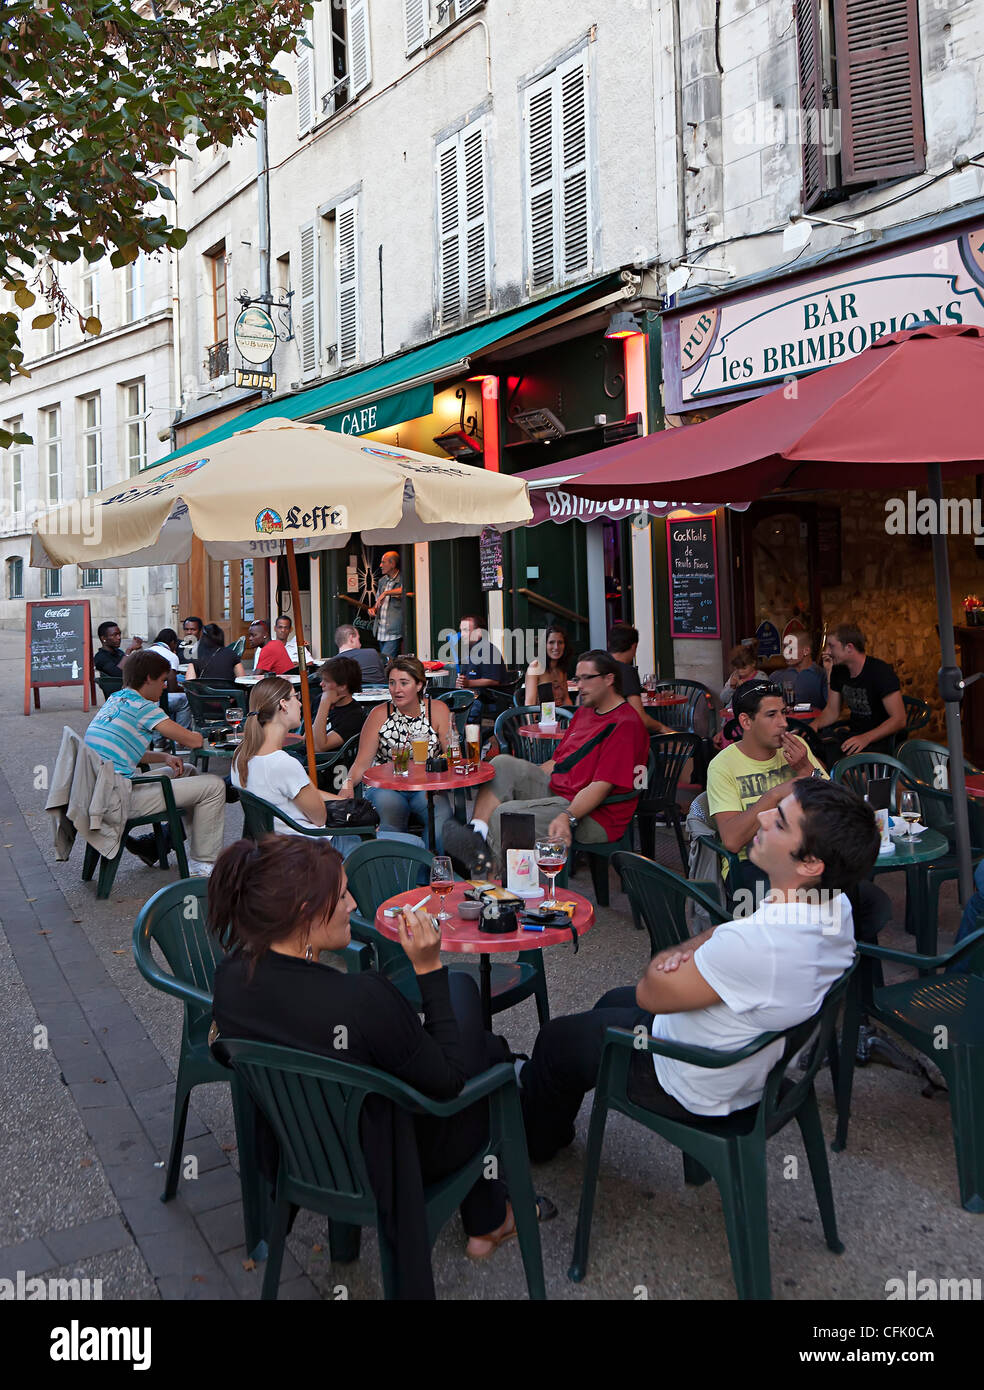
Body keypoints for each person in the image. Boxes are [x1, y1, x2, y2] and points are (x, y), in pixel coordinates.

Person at [209, 837, 553, 1295]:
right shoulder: (362, 999)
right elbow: (448, 1084)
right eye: (344, 895)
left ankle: (489, 1217)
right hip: (390, 1159)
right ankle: (491, 1217)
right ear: (307, 911)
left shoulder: (231, 980)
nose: (354, 904)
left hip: (304, 1148)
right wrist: (429, 968)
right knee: (484, 1050)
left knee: (478, 1029)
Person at [517, 778, 876, 1162]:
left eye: (782, 821)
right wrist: (711, 946)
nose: (764, 815)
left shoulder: (758, 943)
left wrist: (680, 953)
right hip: (752, 1057)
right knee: (607, 1002)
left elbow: (649, 991)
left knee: (556, 1039)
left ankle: (537, 1143)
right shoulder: (836, 906)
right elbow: (734, 945)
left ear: (810, 862)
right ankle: (554, 1096)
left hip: (694, 1079)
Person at [442, 650, 649, 875]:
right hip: (561, 789)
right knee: (502, 764)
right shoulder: (586, 712)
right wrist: (523, 779)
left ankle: (487, 883)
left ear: (609, 679)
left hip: (594, 812)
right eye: (577, 678)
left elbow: (600, 787)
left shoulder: (625, 724)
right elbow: (558, 761)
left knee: (506, 816)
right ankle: (478, 834)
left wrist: (567, 816)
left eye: (586, 678)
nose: (579, 685)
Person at [83, 648, 226, 876]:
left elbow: (123, 751)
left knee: (186, 770)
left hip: (101, 792)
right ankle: (203, 862)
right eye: (162, 680)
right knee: (215, 786)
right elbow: (193, 740)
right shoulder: (145, 707)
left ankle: (186, 847)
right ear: (148, 678)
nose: (165, 686)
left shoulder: (117, 700)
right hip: (120, 799)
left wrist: (164, 757)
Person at [706, 679, 827, 900]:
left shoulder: (798, 749)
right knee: (794, 900)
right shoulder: (723, 765)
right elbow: (731, 841)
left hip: (803, 853)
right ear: (746, 721)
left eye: (783, 713)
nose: (783, 723)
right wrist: (775, 795)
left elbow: (834, 808)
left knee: (861, 895)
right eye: (771, 715)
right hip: (750, 862)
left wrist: (806, 770)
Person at [342, 656, 453, 849]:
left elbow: (451, 756)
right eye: (392, 683)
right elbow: (361, 763)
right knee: (391, 810)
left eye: (404, 683)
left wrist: (452, 750)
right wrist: (347, 784)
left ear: (419, 685)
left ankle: (428, 872)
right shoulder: (379, 714)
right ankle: (397, 874)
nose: (396, 689)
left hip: (425, 786)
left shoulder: (437, 710)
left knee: (440, 815)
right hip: (386, 786)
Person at [230, 677, 342, 834]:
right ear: (283, 704)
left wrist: (344, 801)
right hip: (311, 847)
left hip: (274, 847)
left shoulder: (241, 754)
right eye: (296, 697)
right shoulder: (283, 763)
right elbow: (320, 818)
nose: (300, 703)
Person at [812, 623, 905, 760]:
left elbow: (899, 719)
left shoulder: (880, 672)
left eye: (832, 646)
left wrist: (866, 738)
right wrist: (813, 725)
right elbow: (832, 711)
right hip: (855, 735)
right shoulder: (838, 670)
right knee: (816, 749)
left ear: (849, 647)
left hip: (882, 738)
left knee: (843, 762)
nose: (828, 652)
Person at [607, 624, 673, 735]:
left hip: (598, 735)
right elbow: (640, 717)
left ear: (609, 644)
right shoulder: (627, 671)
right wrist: (663, 728)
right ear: (634, 647)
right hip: (620, 736)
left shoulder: (597, 665)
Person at [453, 615, 509, 726]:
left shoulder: (488, 650)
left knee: (466, 709)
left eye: (465, 630)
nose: (461, 634)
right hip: (473, 698)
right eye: (461, 630)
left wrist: (468, 683)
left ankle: (475, 740)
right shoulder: (469, 653)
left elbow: (493, 680)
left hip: (489, 700)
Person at [313, 655, 367, 753]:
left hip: (323, 764)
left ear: (343, 686)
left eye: (326, 681)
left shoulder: (355, 716)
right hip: (301, 756)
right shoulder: (319, 700)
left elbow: (319, 748)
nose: (321, 684)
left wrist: (324, 705)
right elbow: (305, 739)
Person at [146, 628, 193, 729]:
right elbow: (172, 688)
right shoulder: (171, 656)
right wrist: (184, 689)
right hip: (157, 701)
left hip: (142, 700)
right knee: (185, 700)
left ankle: (160, 740)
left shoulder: (144, 652)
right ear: (172, 642)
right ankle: (180, 739)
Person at [524, 625, 572, 708]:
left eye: (560, 642)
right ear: (544, 645)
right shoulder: (535, 667)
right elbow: (530, 703)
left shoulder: (561, 668)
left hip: (560, 716)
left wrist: (572, 718)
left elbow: (566, 700)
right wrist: (532, 721)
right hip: (542, 718)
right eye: (551, 642)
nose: (556, 647)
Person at [370, 550, 403, 658]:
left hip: (393, 632)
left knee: (385, 663)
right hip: (381, 631)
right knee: (386, 663)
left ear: (392, 564)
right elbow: (378, 602)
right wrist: (373, 609)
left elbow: (405, 590)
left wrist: (386, 593)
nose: (380, 565)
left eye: (383, 562)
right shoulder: (382, 581)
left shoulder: (403, 578)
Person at [784, 633, 828, 710]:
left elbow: (833, 708)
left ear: (806, 651)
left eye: (791, 649)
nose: (786, 653)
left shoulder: (822, 675)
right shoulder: (776, 676)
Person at [720, 643, 767, 707]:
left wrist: (744, 688)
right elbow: (724, 699)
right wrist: (732, 687)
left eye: (744, 668)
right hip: (733, 713)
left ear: (753, 663)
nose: (740, 671)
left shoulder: (761, 677)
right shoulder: (734, 676)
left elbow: (764, 699)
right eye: (737, 668)